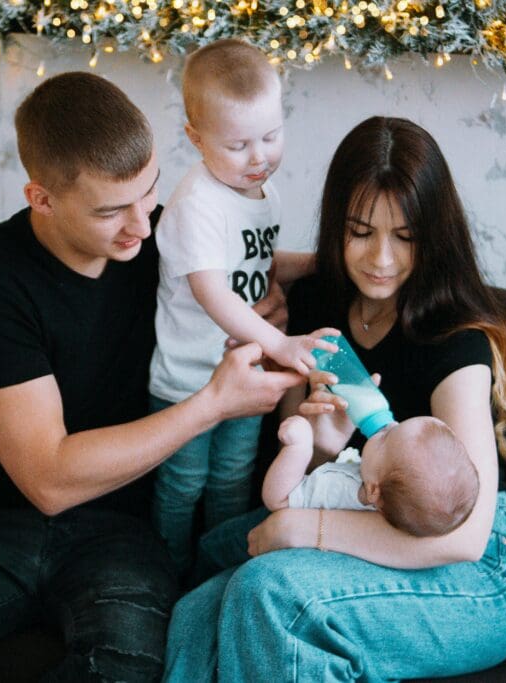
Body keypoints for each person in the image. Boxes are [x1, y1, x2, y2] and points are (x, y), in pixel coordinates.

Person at [0, 72, 313, 682]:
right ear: (41, 198)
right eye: (110, 211)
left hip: (120, 531)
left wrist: (268, 296)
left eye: (148, 193)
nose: (142, 227)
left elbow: (241, 260)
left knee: (129, 666)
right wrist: (210, 406)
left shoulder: (160, 235)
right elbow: (49, 479)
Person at [164, 116, 506, 681]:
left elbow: (465, 534)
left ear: (432, 237)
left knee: (270, 590)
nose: (380, 259)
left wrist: (303, 534)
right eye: (361, 232)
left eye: (405, 237)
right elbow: (307, 475)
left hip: (471, 570)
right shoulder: (315, 309)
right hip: (350, 513)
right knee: (194, 612)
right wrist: (319, 445)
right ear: (336, 227)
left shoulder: (455, 339)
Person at [149, 39, 332, 575]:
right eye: (238, 145)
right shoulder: (196, 205)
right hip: (190, 380)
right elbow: (214, 291)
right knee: (183, 484)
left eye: (271, 136)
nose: (259, 158)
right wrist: (278, 343)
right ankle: (166, 577)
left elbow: (262, 263)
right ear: (196, 138)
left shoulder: (260, 192)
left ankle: (220, 574)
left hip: (246, 376)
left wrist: (324, 262)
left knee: (233, 478)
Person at [263, 414, 479, 539]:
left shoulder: (341, 489)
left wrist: (299, 448)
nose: (390, 425)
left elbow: (278, 500)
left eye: (387, 436)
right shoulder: (386, 504)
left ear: (374, 490)